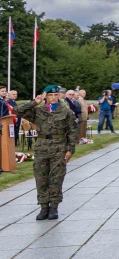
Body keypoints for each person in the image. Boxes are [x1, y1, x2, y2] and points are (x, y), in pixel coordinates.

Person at [16, 85, 78, 220]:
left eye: (56, 95)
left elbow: (73, 131)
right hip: (42, 147)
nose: (54, 97)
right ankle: (44, 207)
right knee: (41, 178)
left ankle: (54, 207)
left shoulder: (66, 111)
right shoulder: (39, 110)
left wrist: (70, 150)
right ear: (46, 97)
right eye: (50, 95)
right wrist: (35, 102)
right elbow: (18, 110)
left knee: (56, 178)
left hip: (59, 147)